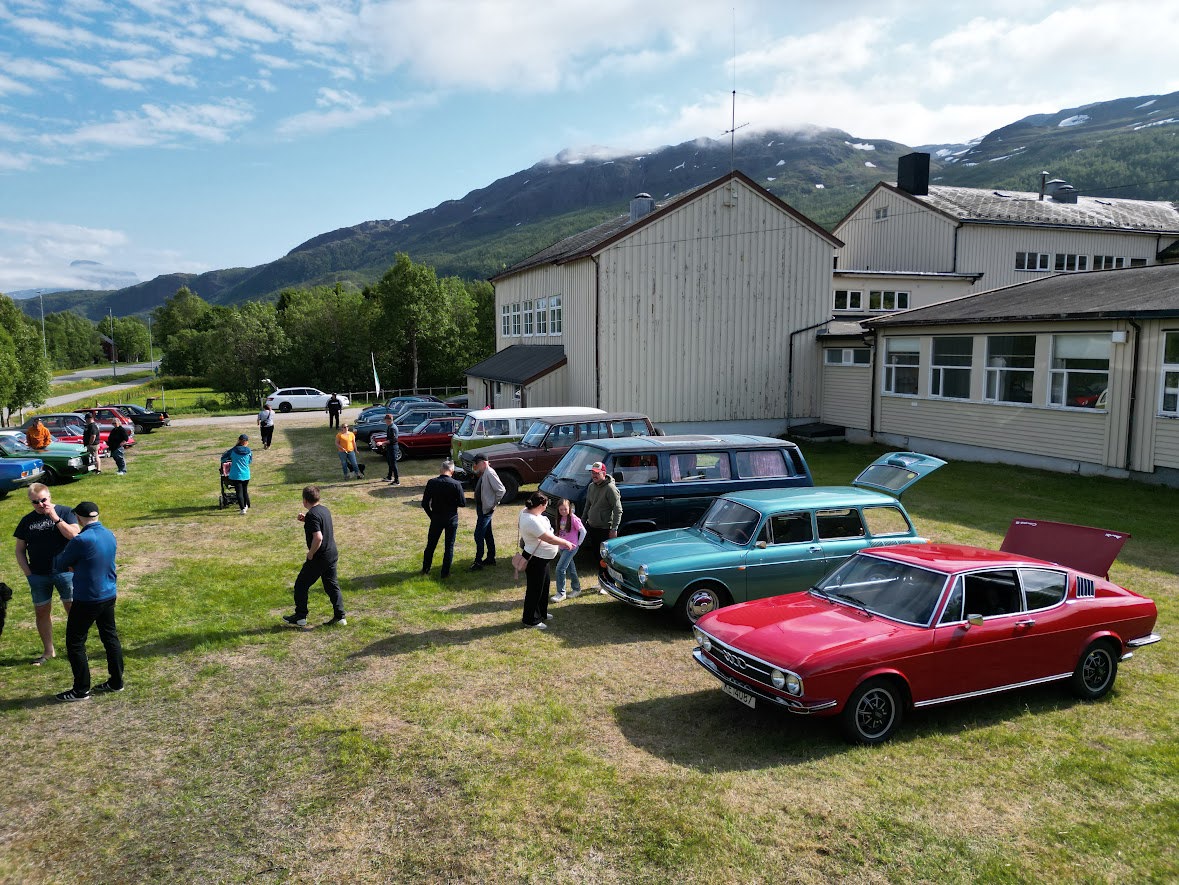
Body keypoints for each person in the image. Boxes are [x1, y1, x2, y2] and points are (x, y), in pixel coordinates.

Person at [52, 500, 123, 701]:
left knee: (75, 642)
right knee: (110, 637)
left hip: (88, 598)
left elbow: (61, 563)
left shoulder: (81, 540)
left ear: (78, 517)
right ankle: (116, 682)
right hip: (109, 593)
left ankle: (81, 690)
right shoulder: (109, 534)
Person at [13, 483, 80, 665]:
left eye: (43, 500)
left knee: (73, 610)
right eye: (35, 502)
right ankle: (49, 651)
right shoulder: (27, 521)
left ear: (49, 497)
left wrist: (55, 517)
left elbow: (74, 535)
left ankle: (77, 650)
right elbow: (19, 550)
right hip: (38, 575)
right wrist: (28, 574)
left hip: (65, 572)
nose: (40, 505)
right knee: (42, 612)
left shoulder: (65, 512)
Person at [284, 486, 346, 628]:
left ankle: (300, 616)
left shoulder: (312, 515)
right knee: (331, 585)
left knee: (301, 585)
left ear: (305, 501)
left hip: (319, 557)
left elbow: (318, 537)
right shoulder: (324, 510)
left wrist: (311, 553)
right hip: (331, 553)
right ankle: (340, 617)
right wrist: (307, 520)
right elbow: (320, 525)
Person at [518, 491, 574, 629]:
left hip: (543, 558)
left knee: (544, 586)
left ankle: (541, 612)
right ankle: (530, 620)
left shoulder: (529, 511)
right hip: (535, 558)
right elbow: (548, 538)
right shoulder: (530, 520)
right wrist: (565, 542)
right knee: (535, 589)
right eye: (545, 505)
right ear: (540, 505)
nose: (546, 507)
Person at [420, 459, 466, 579]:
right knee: (449, 546)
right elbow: (462, 503)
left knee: (431, 544)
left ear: (441, 470)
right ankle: (445, 573)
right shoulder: (456, 484)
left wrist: (431, 515)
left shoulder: (432, 482)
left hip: (436, 517)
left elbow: (424, 503)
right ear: (452, 471)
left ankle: (425, 569)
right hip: (451, 518)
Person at [583, 461, 622, 592]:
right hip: (593, 527)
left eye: (597, 473)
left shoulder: (610, 489)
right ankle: (601, 582)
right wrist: (582, 522)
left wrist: (614, 528)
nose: (594, 475)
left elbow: (618, 510)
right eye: (592, 473)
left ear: (603, 474)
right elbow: (587, 505)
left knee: (606, 558)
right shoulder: (591, 486)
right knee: (597, 556)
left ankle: (609, 583)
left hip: (605, 529)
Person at [468, 452, 505, 571]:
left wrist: (493, 504)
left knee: (478, 535)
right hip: (483, 508)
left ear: (484, 463)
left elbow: (501, 490)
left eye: (477, 464)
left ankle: (478, 562)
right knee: (487, 534)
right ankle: (490, 558)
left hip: (486, 510)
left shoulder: (490, 473)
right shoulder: (485, 472)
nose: (476, 466)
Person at [550, 498, 586, 602]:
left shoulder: (573, 518)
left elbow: (583, 531)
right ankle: (577, 589)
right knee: (571, 568)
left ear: (569, 508)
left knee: (560, 569)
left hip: (570, 548)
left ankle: (561, 593)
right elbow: (560, 532)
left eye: (565, 509)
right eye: (561, 509)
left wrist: (578, 544)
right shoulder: (560, 518)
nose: (563, 511)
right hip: (562, 547)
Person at [221, 433, 253, 514]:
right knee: (245, 490)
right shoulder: (249, 451)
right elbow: (250, 461)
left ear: (239, 440)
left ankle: (242, 508)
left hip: (236, 474)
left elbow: (223, 458)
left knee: (239, 492)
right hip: (246, 474)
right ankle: (246, 505)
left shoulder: (233, 450)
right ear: (246, 442)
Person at [381, 413, 400, 485]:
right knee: (390, 463)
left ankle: (397, 480)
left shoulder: (392, 428)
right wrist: (385, 444)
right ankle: (389, 477)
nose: (385, 421)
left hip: (393, 448)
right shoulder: (389, 426)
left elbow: (393, 440)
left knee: (393, 464)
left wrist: (383, 442)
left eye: (385, 420)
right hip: (389, 447)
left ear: (388, 420)